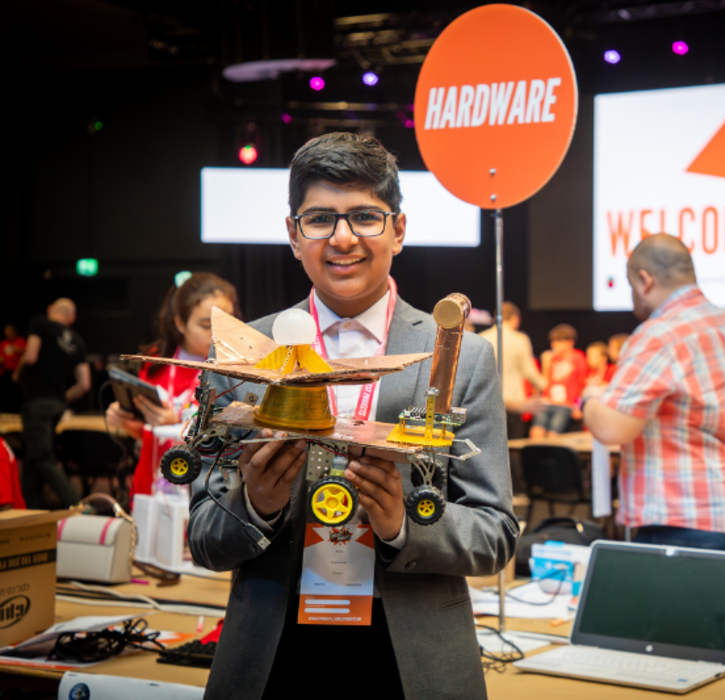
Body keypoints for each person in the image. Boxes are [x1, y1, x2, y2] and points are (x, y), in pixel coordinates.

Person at [187, 132, 517, 700]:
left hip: (413, 658)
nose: (343, 238)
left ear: (399, 230)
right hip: (271, 652)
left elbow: (495, 534)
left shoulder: (461, 355)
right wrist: (256, 507)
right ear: (293, 235)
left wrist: (404, 524)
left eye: (365, 216)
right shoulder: (242, 350)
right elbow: (204, 537)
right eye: (320, 219)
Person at [581, 234, 725, 598]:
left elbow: (612, 427)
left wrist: (590, 400)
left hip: (688, 523)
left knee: (672, 648)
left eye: (630, 286)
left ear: (645, 279)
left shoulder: (659, 334)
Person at [106, 273, 238, 498]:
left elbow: (237, 436)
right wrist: (128, 423)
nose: (217, 334)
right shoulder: (156, 361)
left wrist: (179, 424)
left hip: (206, 488)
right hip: (152, 482)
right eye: (206, 325)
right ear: (179, 323)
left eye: (226, 322)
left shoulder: (237, 369)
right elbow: (150, 433)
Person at [12, 298, 90, 509]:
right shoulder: (77, 340)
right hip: (57, 406)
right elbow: (84, 384)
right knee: (33, 457)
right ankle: (29, 508)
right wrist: (63, 398)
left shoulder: (40, 323)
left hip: (37, 401)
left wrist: (17, 374)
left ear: (49, 310)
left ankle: (79, 506)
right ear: (72, 318)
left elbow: (30, 357)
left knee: (41, 457)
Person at [479, 301, 545, 438]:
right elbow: (528, 370)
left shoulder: (482, 338)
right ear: (514, 318)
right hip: (514, 402)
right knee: (513, 447)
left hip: (489, 400)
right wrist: (544, 384)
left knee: (493, 445)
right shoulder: (520, 339)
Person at [530, 324, 587, 438]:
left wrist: (578, 406)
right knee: (536, 432)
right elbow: (544, 384)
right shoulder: (551, 358)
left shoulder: (578, 357)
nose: (553, 345)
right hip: (547, 402)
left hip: (565, 405)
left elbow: (582, 383)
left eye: (557, 342)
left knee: (553, 434)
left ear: (569, 342)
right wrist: (546, 365)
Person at [0, 323, 26, 412]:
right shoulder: (3, 343)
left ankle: (18, 411)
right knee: (6, 393)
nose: (7, 332)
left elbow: (28, 352)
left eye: (9, 330)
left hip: (18, 372)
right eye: (6, 330)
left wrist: (17, 349)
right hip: (6, 373)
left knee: (17, 394)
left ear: (14, 331)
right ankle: (6, 411)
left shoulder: (20, 341)